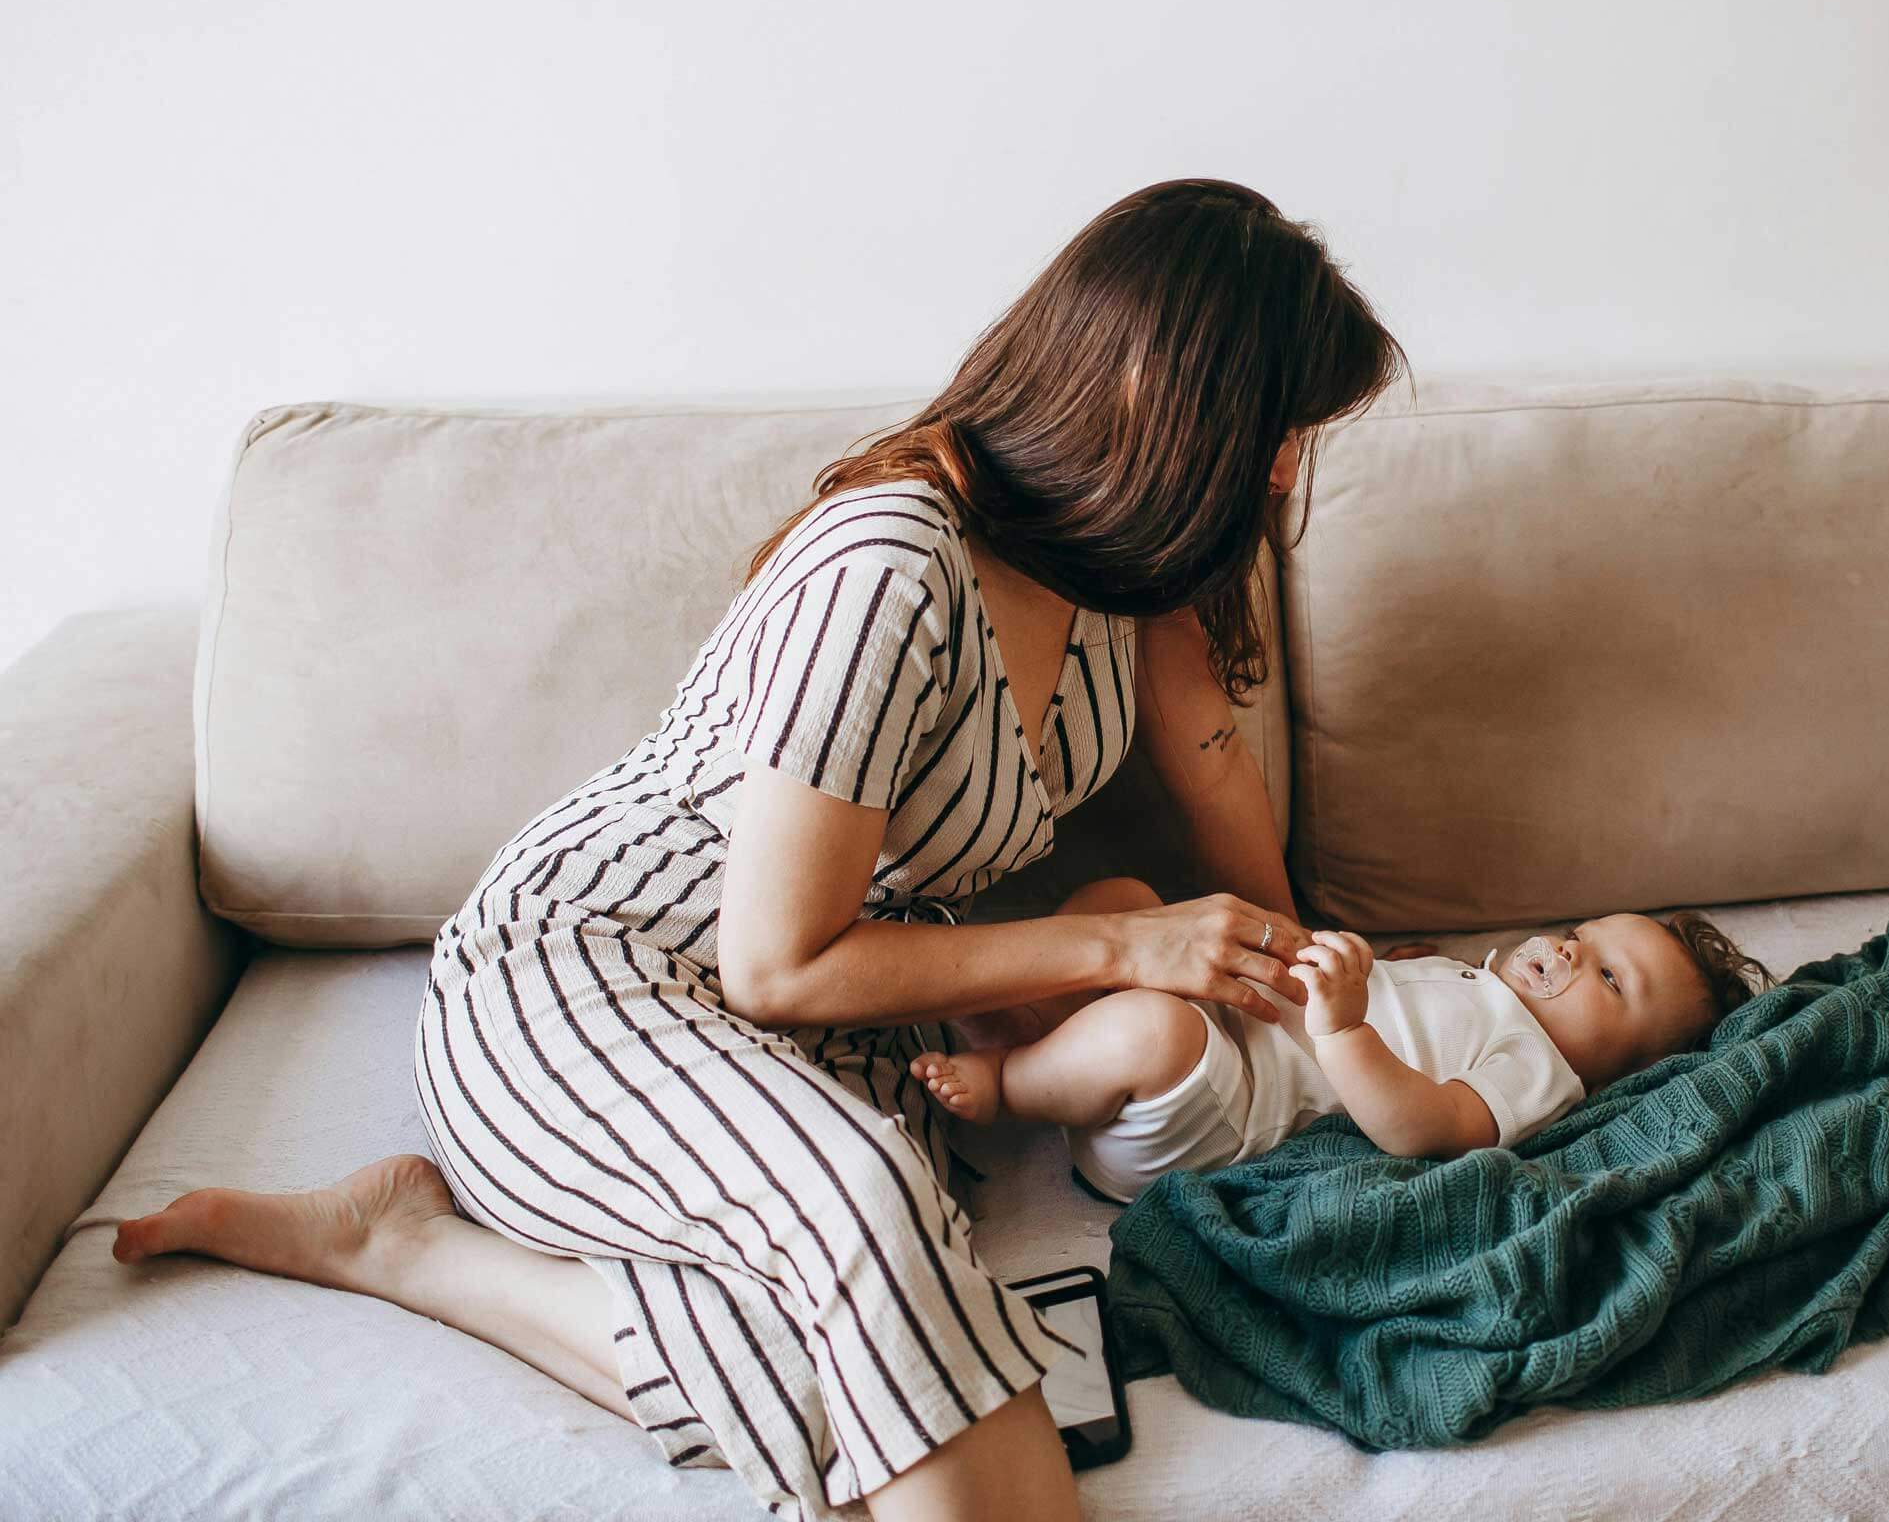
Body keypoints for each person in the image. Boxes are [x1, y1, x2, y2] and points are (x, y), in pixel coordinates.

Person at [108, 179, 1407, 1522]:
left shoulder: (1129, 584)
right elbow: (775, 963)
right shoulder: (890, 563)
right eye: (1277, 433)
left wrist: (1346, 983)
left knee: (839, 1375)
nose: (1283, 475)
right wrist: (1126, 941)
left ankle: (404, 1245)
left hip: (845, 1033)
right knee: (866, 1211)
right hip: (589, 983)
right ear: (1162, 401)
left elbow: (1230, 810)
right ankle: (409, 1239)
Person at [911, 902, 1774, 1202]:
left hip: (1215, 1112)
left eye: (1611, 981)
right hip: (1231, 1030)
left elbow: (1425, 1128)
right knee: (1129, 903)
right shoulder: (1484, 985)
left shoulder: (1538, 1072)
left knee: (1150, 1028)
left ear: (1622, 1071)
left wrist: (1343, 1027)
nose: (1571, 953)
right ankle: (1034, 1025)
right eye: (1583, 936)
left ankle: (1010, 1082)